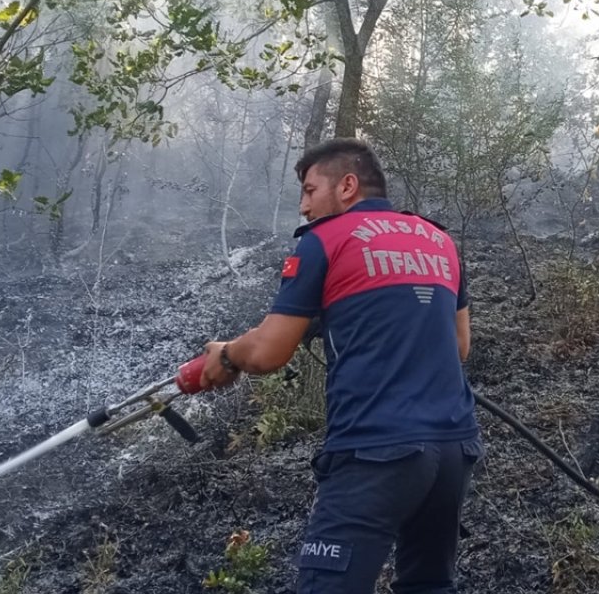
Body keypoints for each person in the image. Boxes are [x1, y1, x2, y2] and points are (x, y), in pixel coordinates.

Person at [199, 138, 483, 594]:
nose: (304, 207)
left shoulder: (324, 241)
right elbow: (459, 347)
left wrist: (227, 354)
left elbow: (270, 352)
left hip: (374, 450)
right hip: (454, 448)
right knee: (429, 585)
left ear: (347, 185)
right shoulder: (440, 240)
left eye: (310, 191)